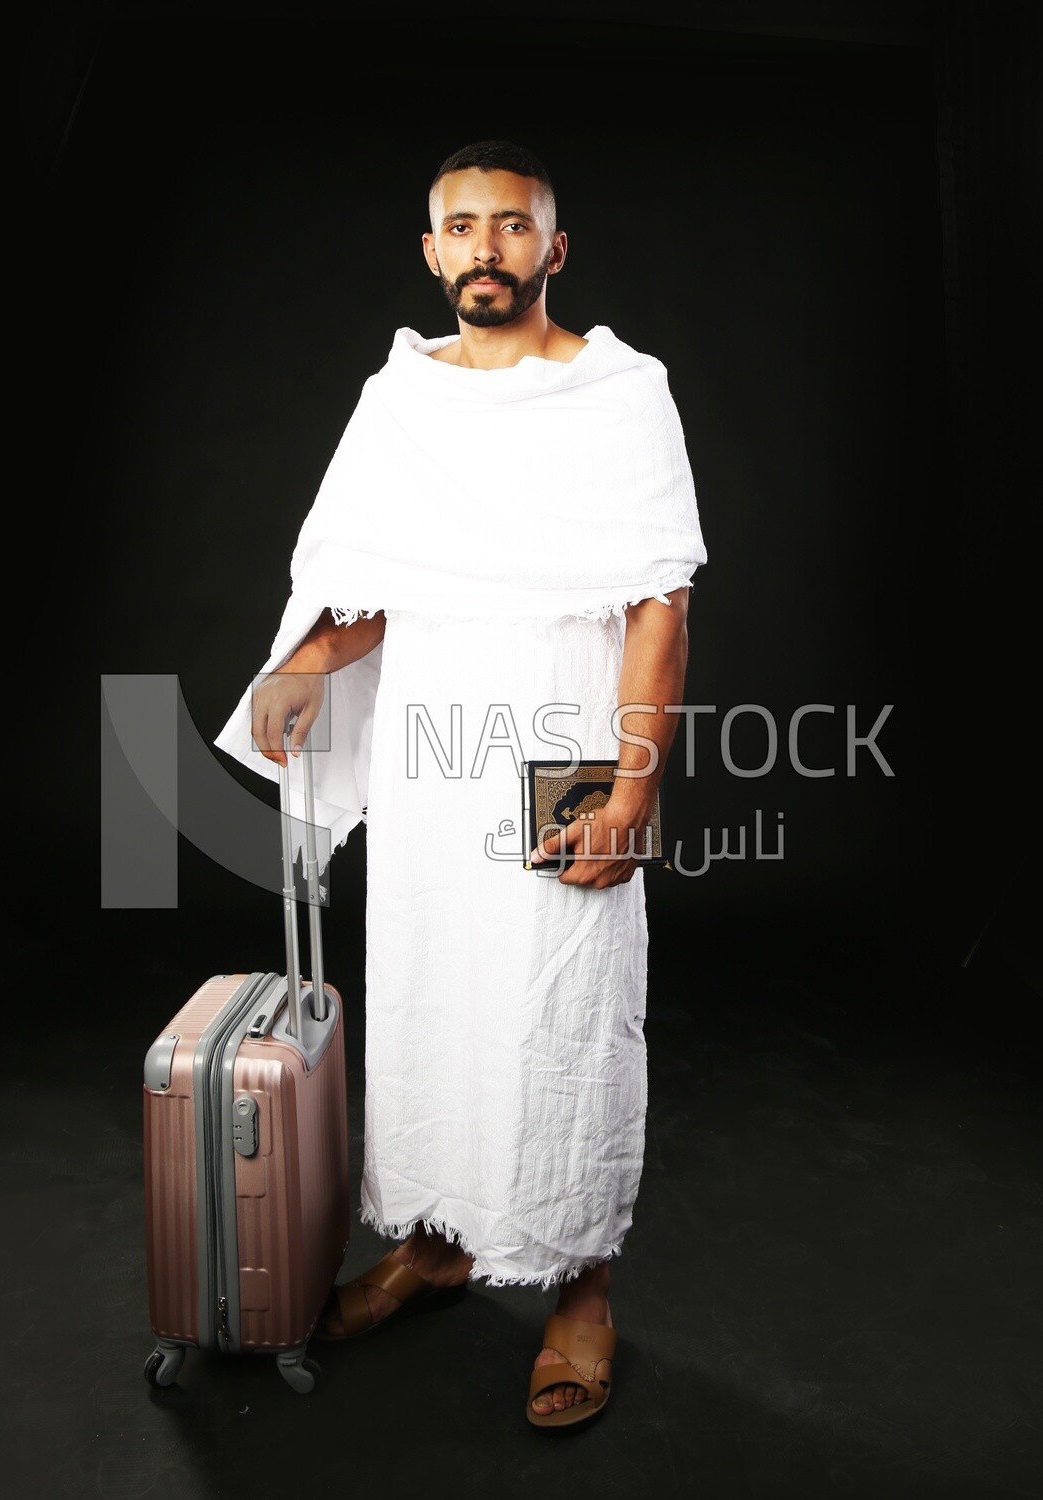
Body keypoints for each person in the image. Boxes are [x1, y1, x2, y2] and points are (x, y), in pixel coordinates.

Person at [214, 138, 706, 1429]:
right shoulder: (403, 398)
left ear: (554, 249)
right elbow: (381, 584)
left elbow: (657, 608)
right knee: (434, 1001)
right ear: (430, 251)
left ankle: (579, 1290)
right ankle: (434, 1244)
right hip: (434, 740)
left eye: (512, 224)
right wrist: (306, 663)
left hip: (565, 740)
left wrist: (631, 792)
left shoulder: (618, 391)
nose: (485, 245)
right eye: (460, 226)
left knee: (565, 1014)